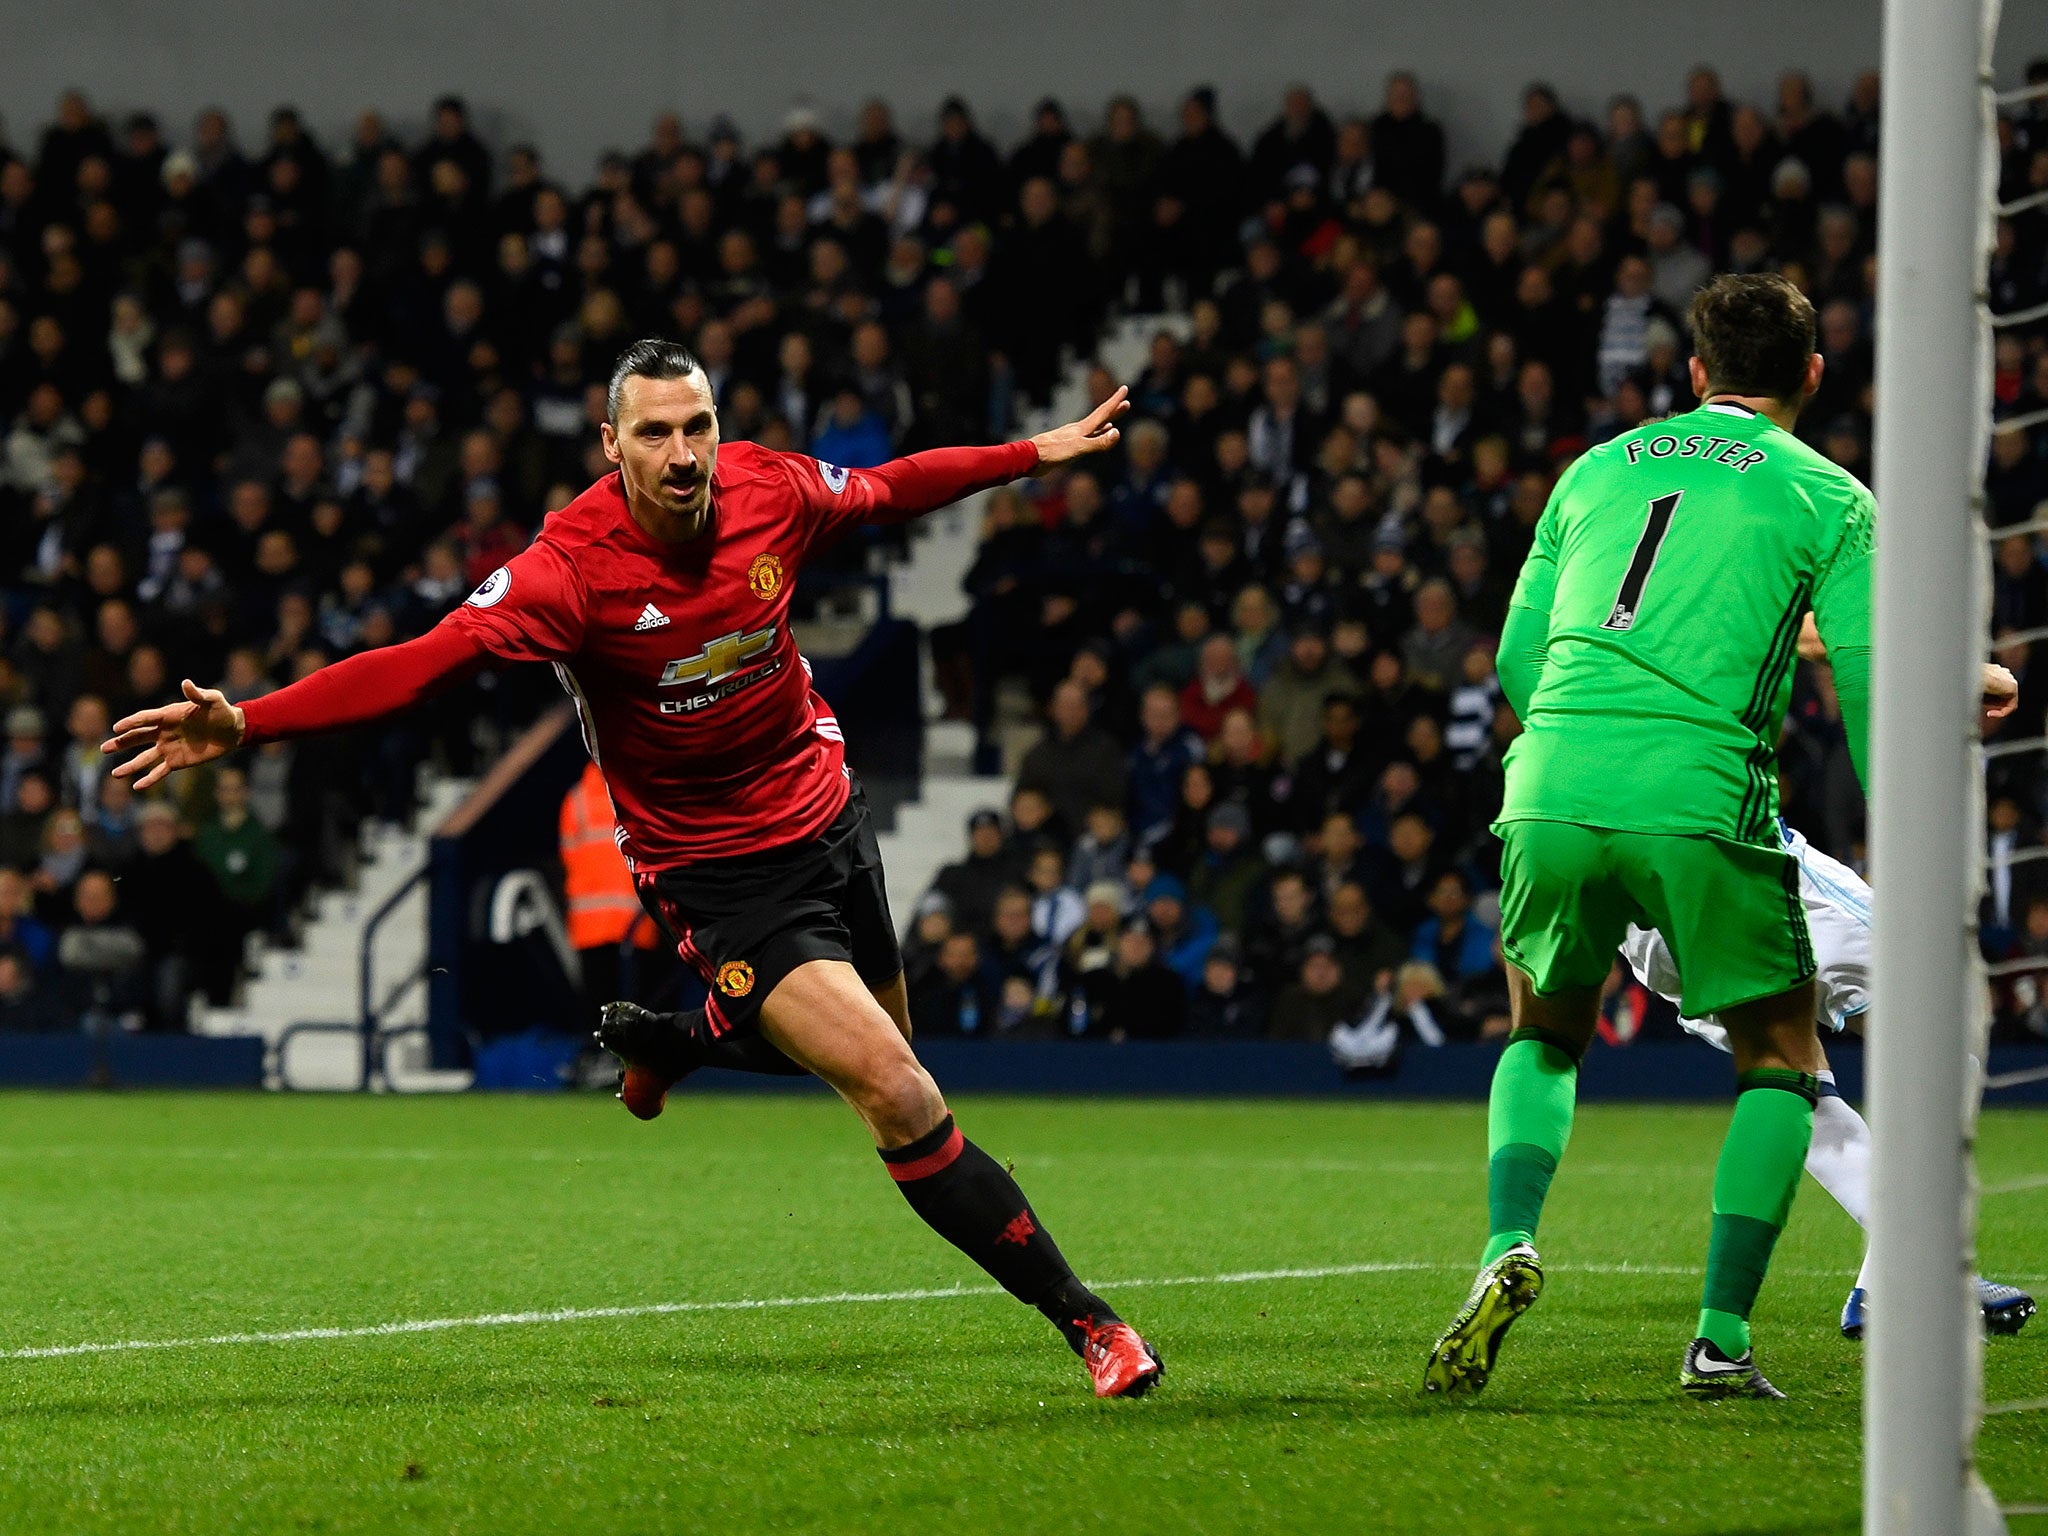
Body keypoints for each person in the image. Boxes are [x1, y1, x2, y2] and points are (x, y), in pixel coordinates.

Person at [105, 339, 1162, 1401]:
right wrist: (250, 722)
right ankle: (1091, 1324)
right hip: (715, 870)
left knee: (889, 1053)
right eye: (653, 433)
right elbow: (423, 662)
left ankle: (680, 1039)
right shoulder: (568, 568)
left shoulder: (770, 486)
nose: (682, 452)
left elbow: (893, 488)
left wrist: (1033, 451)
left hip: (826, 810)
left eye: (694, 426)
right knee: (897, 1093)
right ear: (611, 446)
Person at [1426, 274, 1874, 1403]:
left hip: (1550, 781)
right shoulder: (1829, 496)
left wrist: (1583, 750)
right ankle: (1717, 1339)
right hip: (1696, 790)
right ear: (1810, 377)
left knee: (1543, 1034)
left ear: (1691, 374)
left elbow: (1515, 662)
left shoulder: (1593, 467)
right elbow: (1869, 685)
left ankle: (1504, 1246)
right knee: (1778, 1058)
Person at [1619, 622, 2033, 1340]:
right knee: (1947, 1019)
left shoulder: (1584, 617)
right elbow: (1826, 634)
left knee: (1790, 1079)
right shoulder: (1713, 568)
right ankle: (1910, 1272)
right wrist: (1970, 672)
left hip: (1646, 915)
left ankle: (1900, 1279)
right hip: (1746, 862)